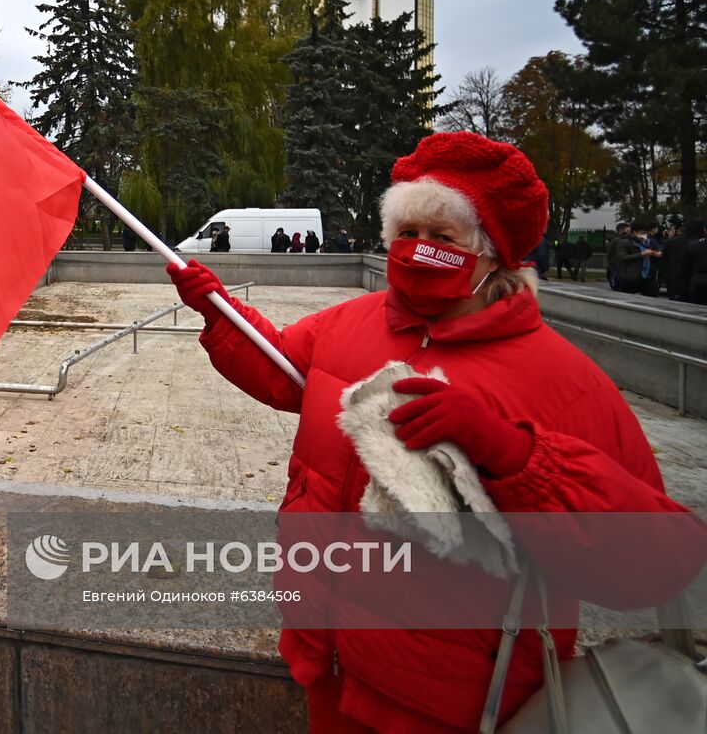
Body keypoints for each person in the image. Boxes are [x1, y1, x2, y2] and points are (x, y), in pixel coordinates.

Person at [166, 131, 700, 732]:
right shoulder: (350, 323)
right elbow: (282, 370)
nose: (419, 250)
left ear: (493, 254)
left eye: (443, 238)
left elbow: (655, 560)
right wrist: (221, 312)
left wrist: (516, 456)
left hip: (458, 701)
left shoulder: (563, 379)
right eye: (407, 233)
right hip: (329, 660)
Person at [608, 220, 661, 295]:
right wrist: (641, 255)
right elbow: (622, 257)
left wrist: (656, 254)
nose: (645, 235)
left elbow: (658, 250)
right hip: (631, 276)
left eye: (646, 232)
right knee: (628, 298)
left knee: (651, 297)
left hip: (648, 276)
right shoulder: (625, 242)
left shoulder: (649, 242)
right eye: (642, 232)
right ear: (635, 232)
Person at [662, 221, 695, 301]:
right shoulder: (696, 242)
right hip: (692, 276)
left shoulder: (670, 242)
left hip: (674, 276)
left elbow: (664, 260)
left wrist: (666, 274)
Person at [682, 219, 707, 306]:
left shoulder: (693, 244)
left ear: (705, 230)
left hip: (698, 279)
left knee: (695, 307)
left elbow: (685, 265)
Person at [604, 222, 630, 290]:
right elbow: (610, 251)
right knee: (617, 277)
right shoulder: (616, 240)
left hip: (622, 261)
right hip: (615, 262)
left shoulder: (626, 239)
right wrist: (610, 260)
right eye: (627, 230)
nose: (629, 232)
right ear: (621, 230)